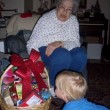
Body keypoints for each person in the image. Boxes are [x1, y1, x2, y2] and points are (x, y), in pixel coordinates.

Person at [27, 0, 87, 86]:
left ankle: (70, 86)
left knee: (80, 54)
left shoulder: (73, 20)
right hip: (47, 50)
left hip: (65, 48)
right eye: (62, 7)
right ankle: (53, 87)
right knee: (63, 55)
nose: (65, 11)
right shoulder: (46, 18)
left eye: (69, 9)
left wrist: (59, 43)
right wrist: (37, 60)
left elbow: (76, 43)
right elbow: (32, 43)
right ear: (57, 6)